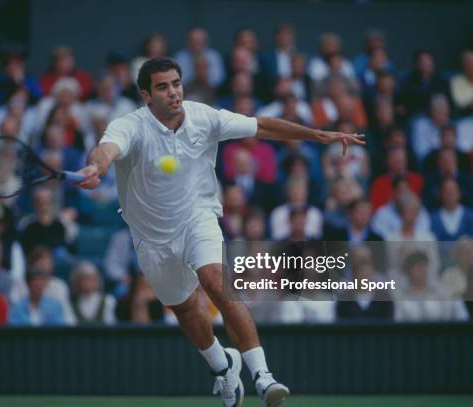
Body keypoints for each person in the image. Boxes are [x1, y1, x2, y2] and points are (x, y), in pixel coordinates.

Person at [77, 57, 364, 407]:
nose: (173, 93)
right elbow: (107, 149)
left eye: (176, 83)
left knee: (216, 281)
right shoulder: (130, 126)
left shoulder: (205, 117)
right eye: (163, 87)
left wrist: (316, 134)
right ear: (146, 95)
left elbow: (262, 127)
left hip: (198, 217)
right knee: (184, 309)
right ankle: (222, 365)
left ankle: (262, 375)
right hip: (151, 237)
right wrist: (97, 166)